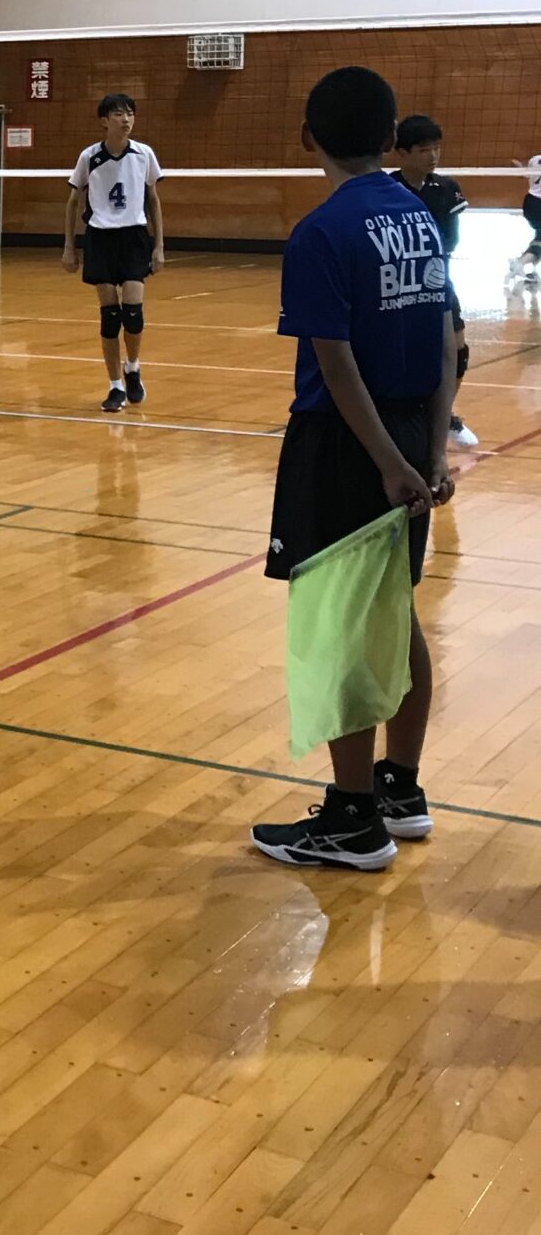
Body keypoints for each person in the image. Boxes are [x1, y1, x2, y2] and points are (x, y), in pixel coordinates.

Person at [251, 66, 457, 871]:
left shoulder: (321, 232)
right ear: (390, 139)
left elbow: (335, 367)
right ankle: (399, 788)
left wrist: (387, 464)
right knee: (394, 613)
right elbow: (444, 345)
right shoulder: (419, 217)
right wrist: (429, 453)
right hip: (406, 429)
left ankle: (352, 820)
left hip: (348, 444)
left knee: (342, 625)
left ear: (308, 138)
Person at [61, 91, 166, 412]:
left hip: (133, 237)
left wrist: (159, 245)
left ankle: (132, 367)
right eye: (119, 114)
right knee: (110, 318)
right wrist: (69, 247)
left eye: (130, 113)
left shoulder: (144, 154)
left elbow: (153, 200)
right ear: (104, 121)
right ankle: (115, 386)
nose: (126, 119)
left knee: (133, 314)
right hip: (100, 238)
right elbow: (73, 202)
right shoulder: (89, 156)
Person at [394, 116, 476, 449]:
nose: (433, 156)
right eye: (424, 149)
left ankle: (443, 416)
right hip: (397, 283)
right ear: (402, 152)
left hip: (437, 279)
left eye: (436, 148)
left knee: (457, 350)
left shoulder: (446, 188)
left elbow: (451, 240)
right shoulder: (389, 190)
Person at [514, 148, 541, 283]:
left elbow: (525, 175)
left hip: (530, 203)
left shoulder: (535, 159)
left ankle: (529, 267)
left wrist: (521, 168)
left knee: (539, 236)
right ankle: (520, 263)